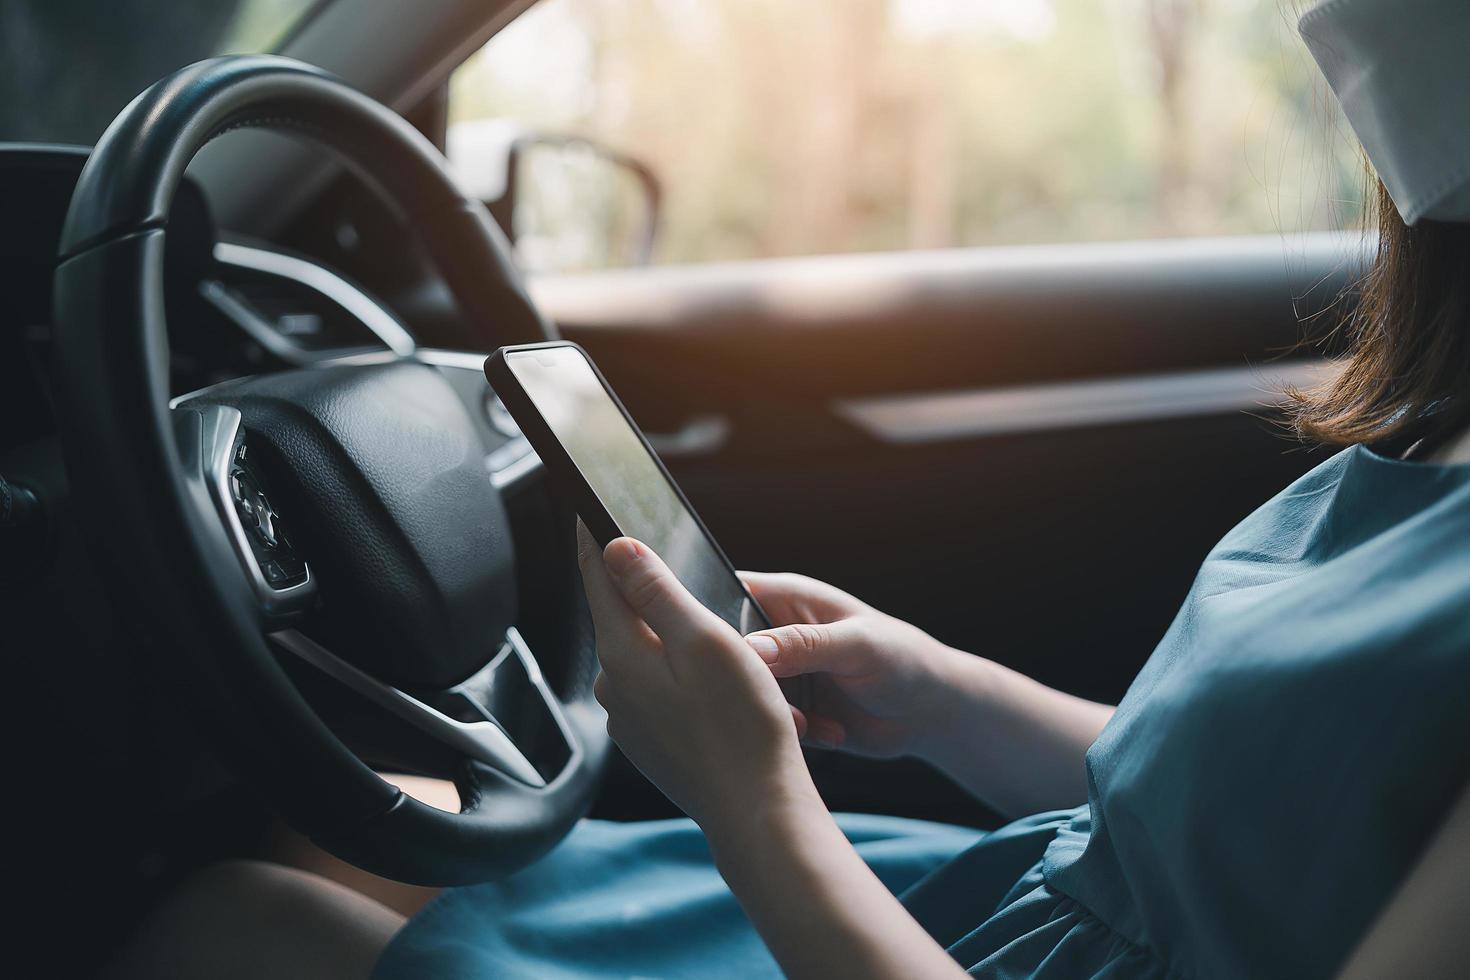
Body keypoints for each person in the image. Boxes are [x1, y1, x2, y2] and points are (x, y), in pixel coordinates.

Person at [108, 0, 1470, 977]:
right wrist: (944, 695)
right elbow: (1252, 808)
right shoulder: (1447, 430)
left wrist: (746, 796)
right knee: (352, 830)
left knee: (237, 920)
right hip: (984, 901)